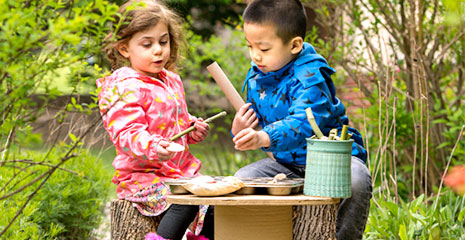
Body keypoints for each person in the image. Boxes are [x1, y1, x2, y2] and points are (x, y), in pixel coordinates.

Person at [231, 0, 372, 239]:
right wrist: (240, 129)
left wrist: (264, 136)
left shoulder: (311, 76)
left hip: (330, 160)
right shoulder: (258, 76)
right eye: (250, 46)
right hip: (287, 166)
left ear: (295, 44)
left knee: (356, 180)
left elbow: (304, 123)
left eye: (264, 49)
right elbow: (257, 123)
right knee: (240, 182)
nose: (255, 56)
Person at [97, 1, 213, 239]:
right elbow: (126, 133)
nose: (158, 50)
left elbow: (173, 118)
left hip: (179, 172)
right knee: (184, 199)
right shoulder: (124, 86)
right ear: (124, 49)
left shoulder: (170, 80)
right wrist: (153, 146)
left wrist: (191, 128)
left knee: (212, 198)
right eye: (147, 44)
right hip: (143, 177)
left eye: (163, 41)